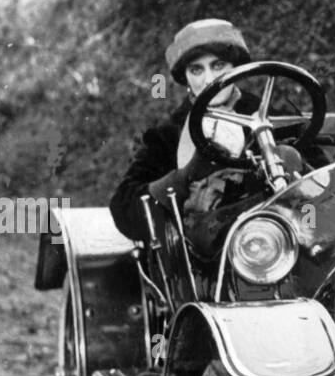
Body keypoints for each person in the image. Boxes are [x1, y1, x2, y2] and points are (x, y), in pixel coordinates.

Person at [108, 18, 274, 266]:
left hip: (278, 243)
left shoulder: (268, 115)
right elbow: (124, 207)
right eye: (197, 70)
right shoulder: (168, 134)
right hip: (208, 265)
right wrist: (184, 177)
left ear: (236, 67)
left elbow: (318, 174)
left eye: (218, 66)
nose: (209, 79)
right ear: (186, 78)